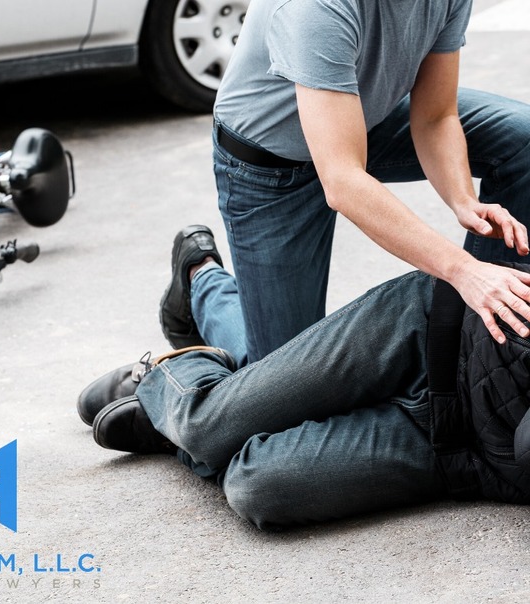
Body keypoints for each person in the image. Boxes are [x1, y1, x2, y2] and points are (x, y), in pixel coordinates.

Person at [159, 0, 530, 366]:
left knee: (521, 139)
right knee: (285, 380)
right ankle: (201, 282)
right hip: (270, 166)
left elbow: (435, 116)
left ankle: (484, 342)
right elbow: (343, 181)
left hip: (361, 116)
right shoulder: (315, 8)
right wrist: (462, 269)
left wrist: (463, 200)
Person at [78, 231, 530, 530]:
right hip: (435, 332)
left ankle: (181, 416)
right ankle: (176, 368)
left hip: (464, 449)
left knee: (256, 487)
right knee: (204, 425)